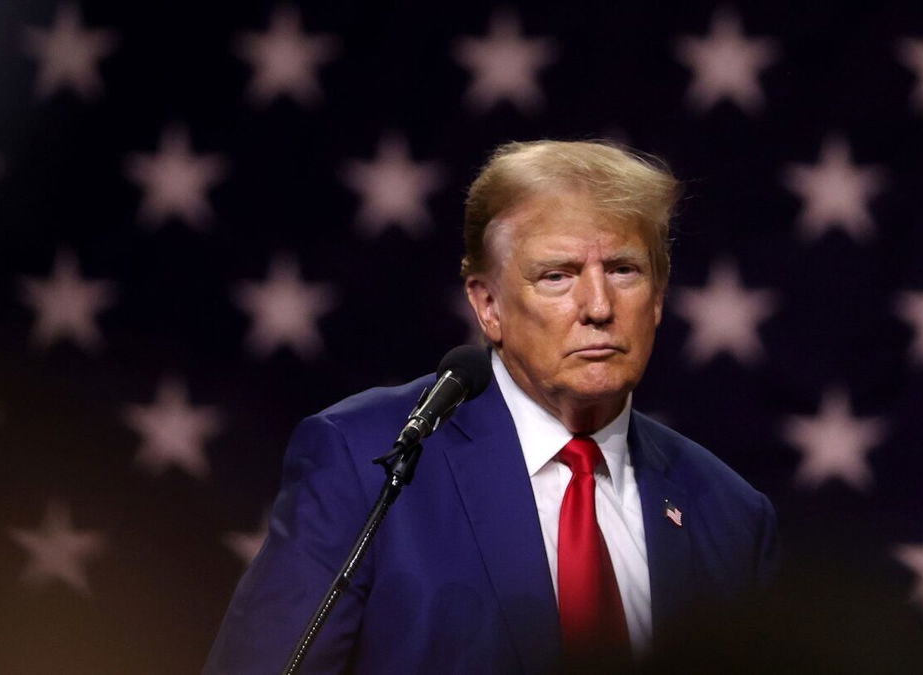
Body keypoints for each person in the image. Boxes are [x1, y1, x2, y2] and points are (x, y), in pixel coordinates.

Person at [205, 140, 780, 674]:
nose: (599, 306)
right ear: (488, 306)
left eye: (624, 271)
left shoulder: (728, 515)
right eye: (557, 276)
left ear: (658, 296)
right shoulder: (369, 461)